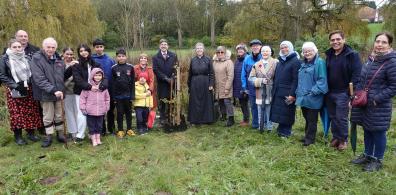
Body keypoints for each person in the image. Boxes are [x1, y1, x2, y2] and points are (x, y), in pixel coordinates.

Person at [350, 32, 396, 171]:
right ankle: (368, 155)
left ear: (389, 45)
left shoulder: (392, 62)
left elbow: (394, 86)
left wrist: (377, 99)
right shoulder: (371, 59)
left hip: (378, 105)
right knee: (367, 129)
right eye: (378, 41)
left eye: (384, 42)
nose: (380, 45)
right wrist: (356, 96)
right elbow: (362, 80)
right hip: (365, 103)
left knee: (378, 131)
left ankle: (378, 160)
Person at [0, 39, 42, 145]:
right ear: (10, 47)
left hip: (28, 87)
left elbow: (32, 72)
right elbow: (2, 75)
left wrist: (28, 82)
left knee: (30, 111)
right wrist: (16, 86)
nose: (17, 49)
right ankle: (18, 136)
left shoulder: (26, 57)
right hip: (14, 89)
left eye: (19, 47)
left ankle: (30, 133)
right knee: (16, 113)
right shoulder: (5, 59)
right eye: (14, 47)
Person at [325, 30, 362, 150]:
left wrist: (349, 93)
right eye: (332, 40)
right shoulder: (329, 54)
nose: (335, 42)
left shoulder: (352, 55)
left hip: (343, 92)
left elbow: (357, 75)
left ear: (343, 40)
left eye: (338, 39)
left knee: (341, 117)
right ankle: (336, 137)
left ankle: (343, 139)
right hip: (330, 91)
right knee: (333, 116)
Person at [31, 37, 68, 147]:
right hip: (46, 93)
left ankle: (60, 134)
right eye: (48, 47)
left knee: (59, 115)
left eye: (53, 47)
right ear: (43, 47)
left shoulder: (58, 58)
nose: (50, 49)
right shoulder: (37, 59)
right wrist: (53, 90)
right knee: (48, 116)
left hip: (59, 93)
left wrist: (72, 68)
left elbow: (62, 75)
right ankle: (49, 136)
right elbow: (39, 79)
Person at [72, 43, 107, 142]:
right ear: (79, 53)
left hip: (95, 92)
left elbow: (104, 77)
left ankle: (95, 133)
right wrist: (90, 87)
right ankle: (80, 135)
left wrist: (101, 86)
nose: (83, 53)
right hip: (81, 92)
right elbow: (77, 80)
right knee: (82, 112)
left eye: (85, 50)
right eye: (81, 51)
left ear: (89, 51)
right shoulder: (76, 65)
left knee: (95, 112)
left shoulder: (95, 63)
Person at [295, 42, 328, 146]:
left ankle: (310, 140)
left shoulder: (319, 62)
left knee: (312, 119)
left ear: (315, 51)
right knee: (307, 118)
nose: (307, 53)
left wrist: (312, 92)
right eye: (305, 51)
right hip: (303, 97)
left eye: (309, 51)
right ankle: (307, 136)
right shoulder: (304, 63)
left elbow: (322, 80)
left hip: (313, 97)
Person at [270, 41, 300, 138]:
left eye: (286, 47)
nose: (283, 49)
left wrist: (293, 94)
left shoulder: (295, 61)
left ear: (290, 48)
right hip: (278, 91)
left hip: (288, 92)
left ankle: (286, 132)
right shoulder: (281, 61)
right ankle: (280, 130)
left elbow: (296, 79)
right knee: (280, 112)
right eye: (282, 48)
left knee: (287, 112)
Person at [248, 46, 278, 133]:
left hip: (271, 89)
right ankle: (261, 125)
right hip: (260, 89)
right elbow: (251, 78)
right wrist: (261, 80)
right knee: (260, 108)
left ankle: (270, 126)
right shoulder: (257, 64)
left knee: (269, 108)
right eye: (263, 51)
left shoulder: (276, 62)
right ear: (261, 52)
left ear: (270, 52)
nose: (265, 53)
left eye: (267, 51)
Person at [79, 68, 110, 146]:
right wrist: (83, 108)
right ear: (92, 76)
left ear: (102, 76)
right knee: (91, 126)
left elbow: (107, 98)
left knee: (99, 126)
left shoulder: (103, 88)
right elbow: (82, 98)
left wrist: (106, 107)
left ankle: (98, 138)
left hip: (101, 111)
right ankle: (93, 139)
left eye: (99, 75)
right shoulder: (88, 88)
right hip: (90, 111)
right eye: (96, 75)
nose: (97, 77)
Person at [91, 38, 116, 136]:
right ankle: (102, 130)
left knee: (110, 110)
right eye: (97, 47)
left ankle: (111, 128)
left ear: (103, 47)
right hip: (97, 89)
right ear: (94, 48)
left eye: (101, 47)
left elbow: (114, 75)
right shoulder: (92, 60)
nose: (99, 49)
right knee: (99, 110)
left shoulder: (110, 60)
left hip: (109, 89)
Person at [187, 42, 215, 125]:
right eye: (197, 48)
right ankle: (195, 120)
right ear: (195, 50)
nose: (199, 50)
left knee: (206, 101)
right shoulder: (193, 60)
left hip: (205, 83)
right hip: (194, 83)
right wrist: (189, 85)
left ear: (203, 50)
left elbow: (212, 73)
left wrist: (211, 84)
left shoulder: (208, 59)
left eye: (201, 48)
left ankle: (207, 120)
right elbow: (190, 74)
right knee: (195, 102)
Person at [152, 39, 178, 126]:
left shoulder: (173, 55)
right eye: (162, 44)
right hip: (162, 83)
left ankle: (171, 116)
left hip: (172, 83)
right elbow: (156, 70)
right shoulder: (155, 57)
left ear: (168, 46)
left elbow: (176, 67)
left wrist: (173, 77)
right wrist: (165, 78)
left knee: (172, 100)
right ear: (160, 46)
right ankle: (162, 118)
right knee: (162, 100)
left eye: (165, 44)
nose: (163, 46)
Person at [111, 48, 135, 138]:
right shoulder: (113, 68)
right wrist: (113, 97)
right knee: (120, 113)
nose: (121, 58)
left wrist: (132, 95)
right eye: (119, 56)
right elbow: (112, 84)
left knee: (128, 113)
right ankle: (120, 130)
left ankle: (129, 129)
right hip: (118, 96)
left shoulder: (130, 67)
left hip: (128, 96)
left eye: (123, 56)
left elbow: (133, 82)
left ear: (126, 57)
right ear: (116, 57)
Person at [241, 39, 262, 129]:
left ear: (260, 47)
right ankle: (255, 124)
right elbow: (243, 74)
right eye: (253, 46)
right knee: (253, 106)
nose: (255, 47)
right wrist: (244, 86)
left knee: (262, 106)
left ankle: (263, 124)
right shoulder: (247, 58)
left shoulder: (264, 57)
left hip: (261, 86)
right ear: (251, 48)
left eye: (257, 45)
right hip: (250, 87)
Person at [213, 46, 235, 126]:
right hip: (218, 86)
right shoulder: (215, 62)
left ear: (225, 53)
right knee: (221, 101)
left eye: (222, 52)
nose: (220, 54)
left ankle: (231, 118)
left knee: (227, 102)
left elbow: (230, 76)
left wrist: (227, 88)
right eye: (218, 52)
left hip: (226, 86)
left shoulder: (229, 62)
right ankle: (223, 115)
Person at [62, 47, 79, 141]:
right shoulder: (60, 64)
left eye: (71, 54)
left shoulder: (77, 63)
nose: (69, 56)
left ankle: (79, 131)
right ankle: (73, 132)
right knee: (69, 113)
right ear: (63, 54)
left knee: (77, 112)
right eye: (67, 54)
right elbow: (60, 78)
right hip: (66, 92)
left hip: (76, 91)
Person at [233, 43, 250, 126]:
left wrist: (245, 87)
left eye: (242, 49)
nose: (240, 51)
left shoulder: (247, 59)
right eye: (238, 49)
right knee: (242, 102)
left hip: (245, 86)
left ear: (245, 51)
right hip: (238, 85)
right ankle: (245, 119)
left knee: (245, 103)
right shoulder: (237, 60)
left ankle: (246, 120)